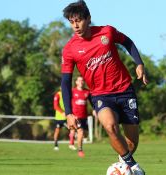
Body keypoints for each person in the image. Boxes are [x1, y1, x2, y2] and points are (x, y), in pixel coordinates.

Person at [61, 1, 148, 174]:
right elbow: (65, 82)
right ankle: (134, 167)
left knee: (130, 143)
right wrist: (69, 113)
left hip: (125, 90)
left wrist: (139, 63)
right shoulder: (70, 49)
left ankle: (122, 165)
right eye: (71, 22)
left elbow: (127, 42)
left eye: (78, 20)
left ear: (88, 19)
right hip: (101, 95)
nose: (75, 25)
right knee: (110, 126)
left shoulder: (106, 32)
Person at [71, 76, 90, 157]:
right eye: (79, 80)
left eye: (82, 80)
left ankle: (76, 136)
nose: (81, 82)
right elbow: (67, 102)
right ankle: (80, 150)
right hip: (76, 116)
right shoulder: (73, 91)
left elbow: (92, 102)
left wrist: (94, 110)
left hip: (84, 116)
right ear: (76, 82)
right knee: (81, 132)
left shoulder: (87, 92)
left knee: (85, 134)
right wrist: (70, 114)